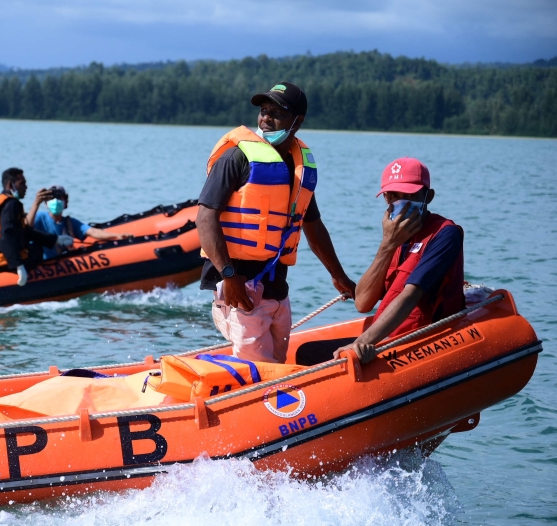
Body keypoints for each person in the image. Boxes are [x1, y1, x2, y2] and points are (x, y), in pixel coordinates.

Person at [195, 81, 355, 363]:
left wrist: (338, 276)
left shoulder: (298, 168)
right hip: (239, 288)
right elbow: (205, 217)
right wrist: (229, 277)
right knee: (258, 374)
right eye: (263, 110)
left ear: (297, 121)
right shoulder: (236, 157)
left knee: (276, 366)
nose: (266, 118)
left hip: (277, 290)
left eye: (276, 112)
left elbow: (312, 225)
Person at [331, 158, 464, 364]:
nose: (399, 201)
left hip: (421, 342)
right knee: (306, 352)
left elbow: (411, 295)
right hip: (390, 335)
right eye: (392, 195)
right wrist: (387, 244)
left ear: (428, 196)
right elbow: (363, 303)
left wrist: (363, 342)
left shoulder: (445, 235)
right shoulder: (395, 236)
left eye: (409, 194)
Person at [0, 168, 73, 285]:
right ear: (11, 185)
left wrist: (55, 239)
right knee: (36, 249)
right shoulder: (12, 204)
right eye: (22, 183)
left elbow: (23, 231)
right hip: (4, 261)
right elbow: (7, 235)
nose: (26, 187)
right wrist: (18, 265)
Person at [32, 186, 131, 260]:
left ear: (66, 202)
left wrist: (116, 236)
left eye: (59, 198)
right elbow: (26, 227)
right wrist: (36, 203)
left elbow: (92, 232)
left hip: (63, 265)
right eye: (52, 198)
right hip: (44, 265)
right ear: (46, 203)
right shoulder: (41, 217)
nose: (56, 201)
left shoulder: (69, 223)